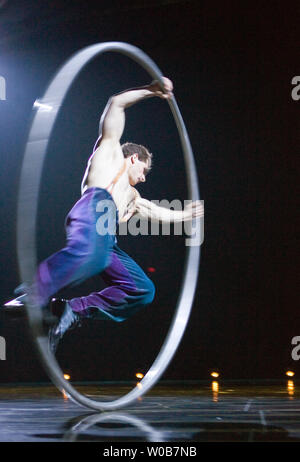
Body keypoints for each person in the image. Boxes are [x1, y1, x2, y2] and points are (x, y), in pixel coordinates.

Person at [5, 77, 203, 353]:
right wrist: (150, 90)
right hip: (94, 209)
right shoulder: (110, 152)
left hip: (106, 240)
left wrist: (184, 215)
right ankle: (31, 294)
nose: (144, 179)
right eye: (144, 171)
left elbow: (155, 212)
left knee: (142, 290)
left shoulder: (133, 197)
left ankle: (72, 311)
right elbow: (116, 103)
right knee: (92, 255)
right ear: (134, 158)